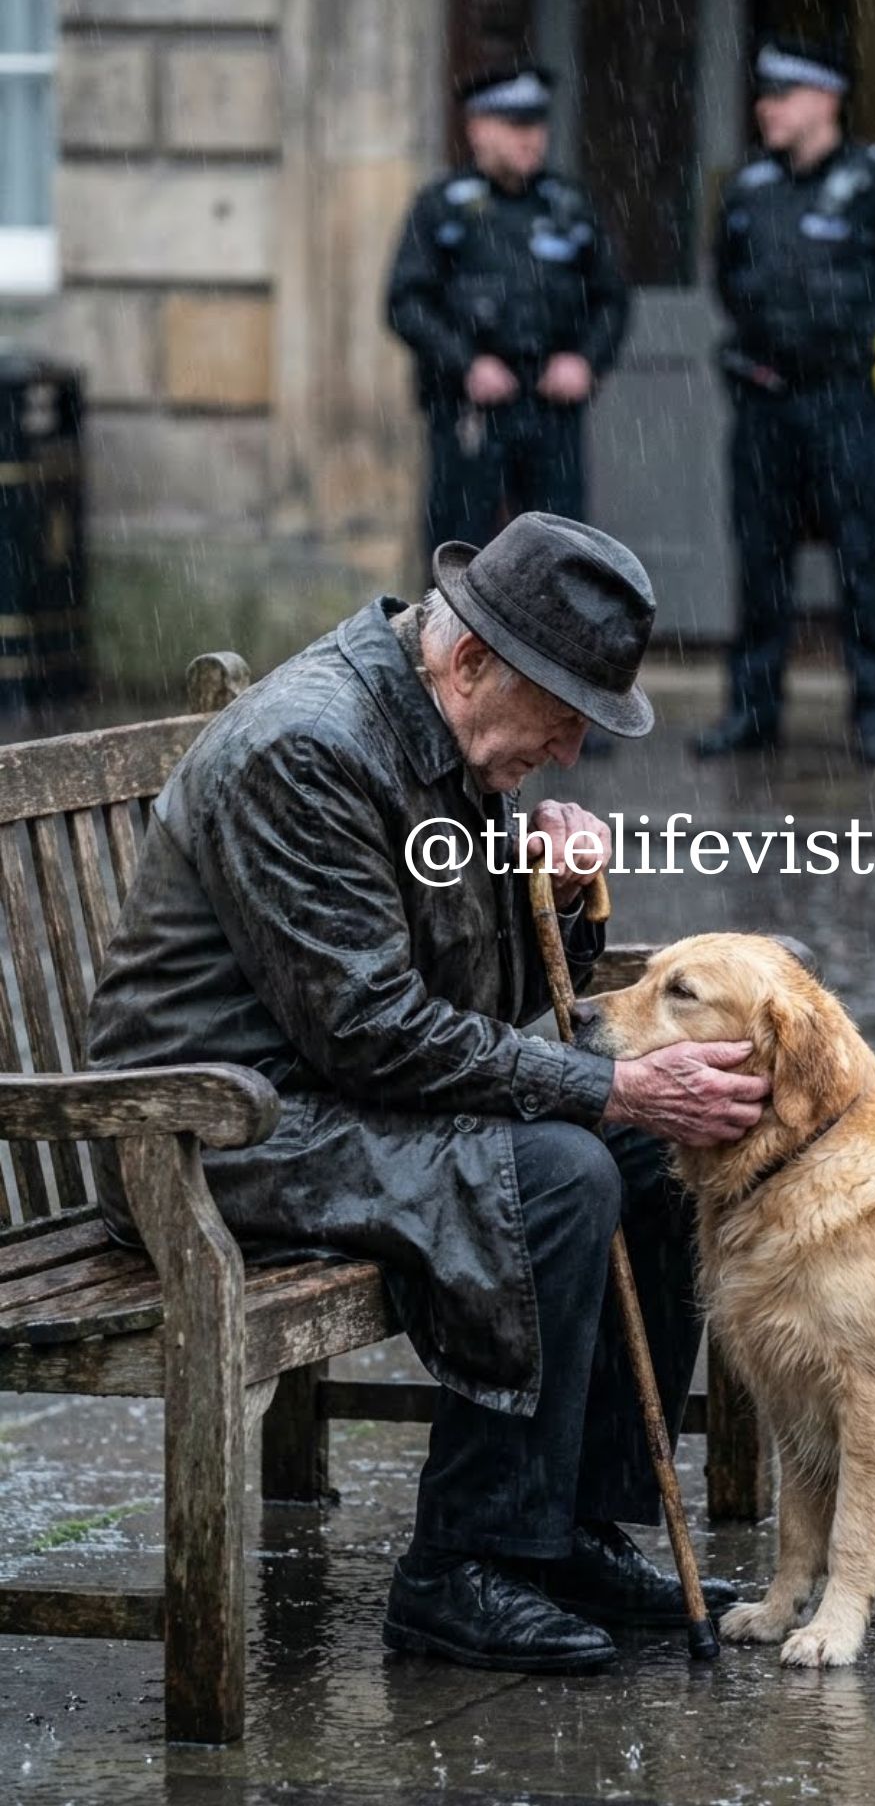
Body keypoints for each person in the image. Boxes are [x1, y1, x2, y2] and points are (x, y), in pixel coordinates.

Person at [85, 511, 770, 1675]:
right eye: (564, 718)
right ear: (472, 662)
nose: (568, 754)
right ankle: (462, 1567)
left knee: (653, 1157)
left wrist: (548, 896)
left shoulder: (441, 730)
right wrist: (610, 1087)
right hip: (210, 1131)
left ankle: (568, 1531)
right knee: (562, 1172)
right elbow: (374, 1033)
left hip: (330, 1099)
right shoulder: (306, 749)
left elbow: (461, 991)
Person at [692, 36, 875, 770]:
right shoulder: (750, 187)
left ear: (826, 100)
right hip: (766, 401)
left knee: (861, 558)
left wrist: (872, 357)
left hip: (846, 403)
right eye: (764, 96)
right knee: (760, 557)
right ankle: (752, 710)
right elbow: (728, 278)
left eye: (783, 96)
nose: (766, 109)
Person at [385, 65, 629, 558]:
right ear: (478, 128)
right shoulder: (442, 207)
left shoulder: (567, 205)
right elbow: (406, 303)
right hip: (469, 410)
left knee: (560, 551)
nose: (531, 139)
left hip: (550, 405)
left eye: (537, 125)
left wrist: (585, 360)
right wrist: (466, 363)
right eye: (516, 126)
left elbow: (610, 298)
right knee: (458, 548)